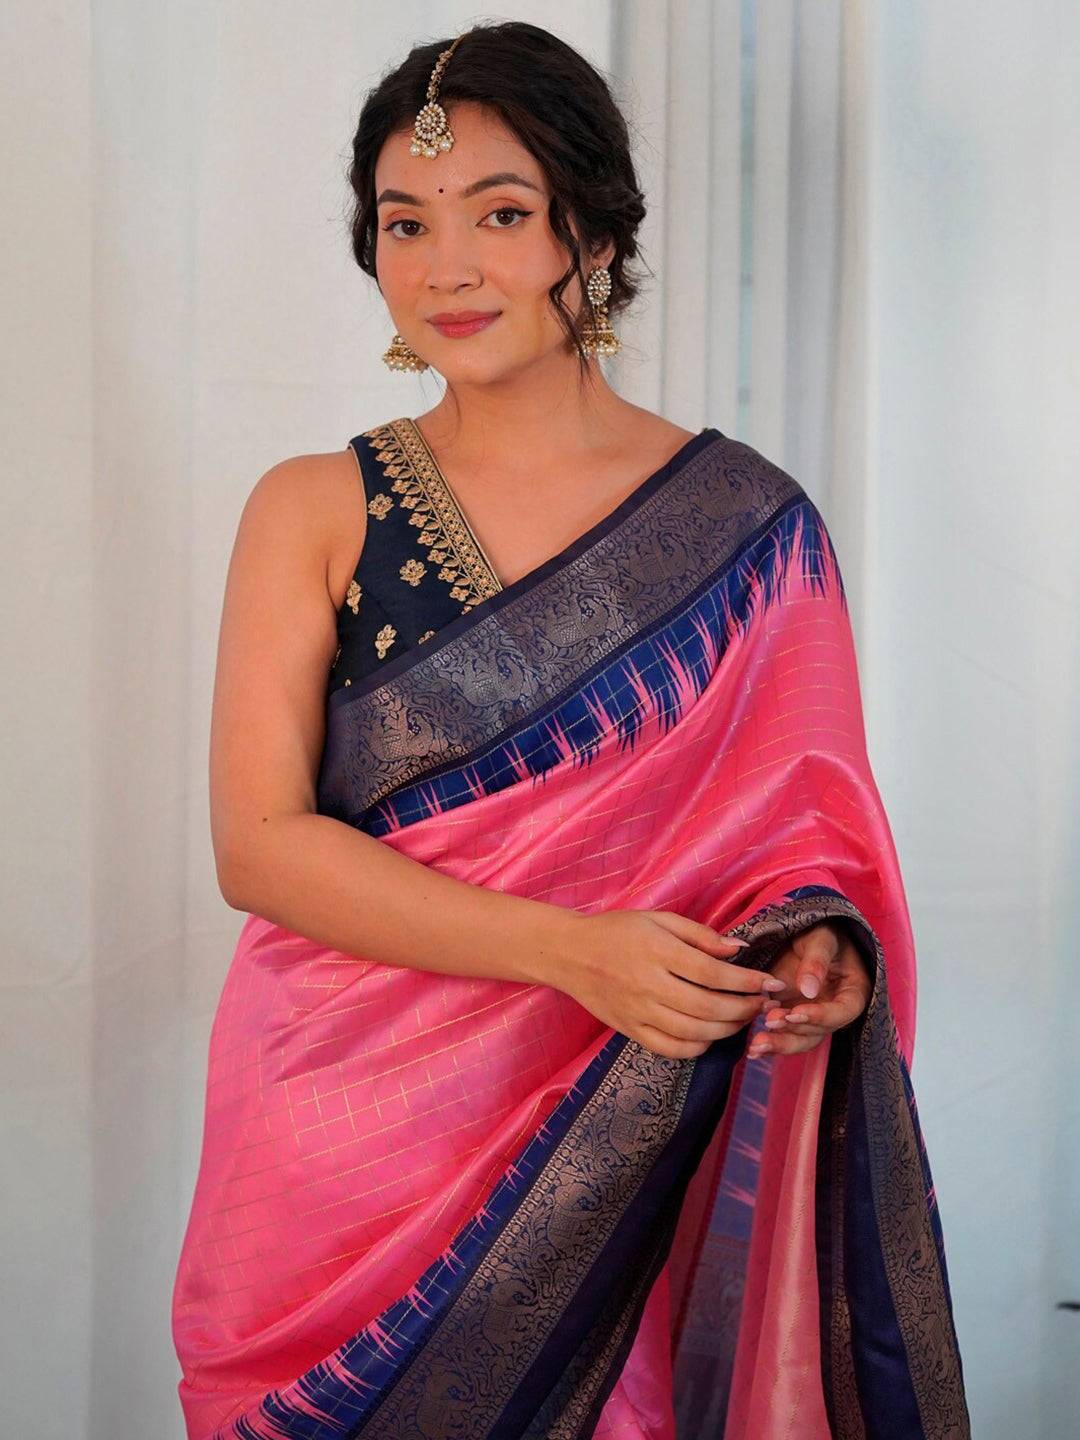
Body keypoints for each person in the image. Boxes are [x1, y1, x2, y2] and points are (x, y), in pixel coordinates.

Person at [172, 21, 970, 1440]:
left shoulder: (748, 532)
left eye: (499, 214)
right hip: (336, 1156)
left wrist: (819, 959)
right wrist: (572, 952)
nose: (447, 267)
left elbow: (805, 847)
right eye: (405, 224)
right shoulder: (313, 508)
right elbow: (261, 845)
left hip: (625, 1130)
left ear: (589, 234)